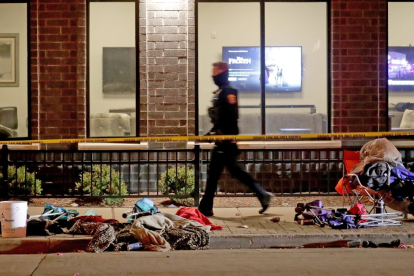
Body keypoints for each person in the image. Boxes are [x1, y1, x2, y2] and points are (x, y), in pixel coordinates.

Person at [198, 61, 274, 217]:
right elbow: (219, 118)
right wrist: (211, 133)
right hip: (221, 141)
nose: (213, 76)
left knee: (220, 174)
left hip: (226, 142)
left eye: (215, 74)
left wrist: (223, 135)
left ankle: (205, 207)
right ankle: (206, 207)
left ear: (222, 75)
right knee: (230, 172)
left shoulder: (229, 93)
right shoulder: (219, 93)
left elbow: (232, 118)